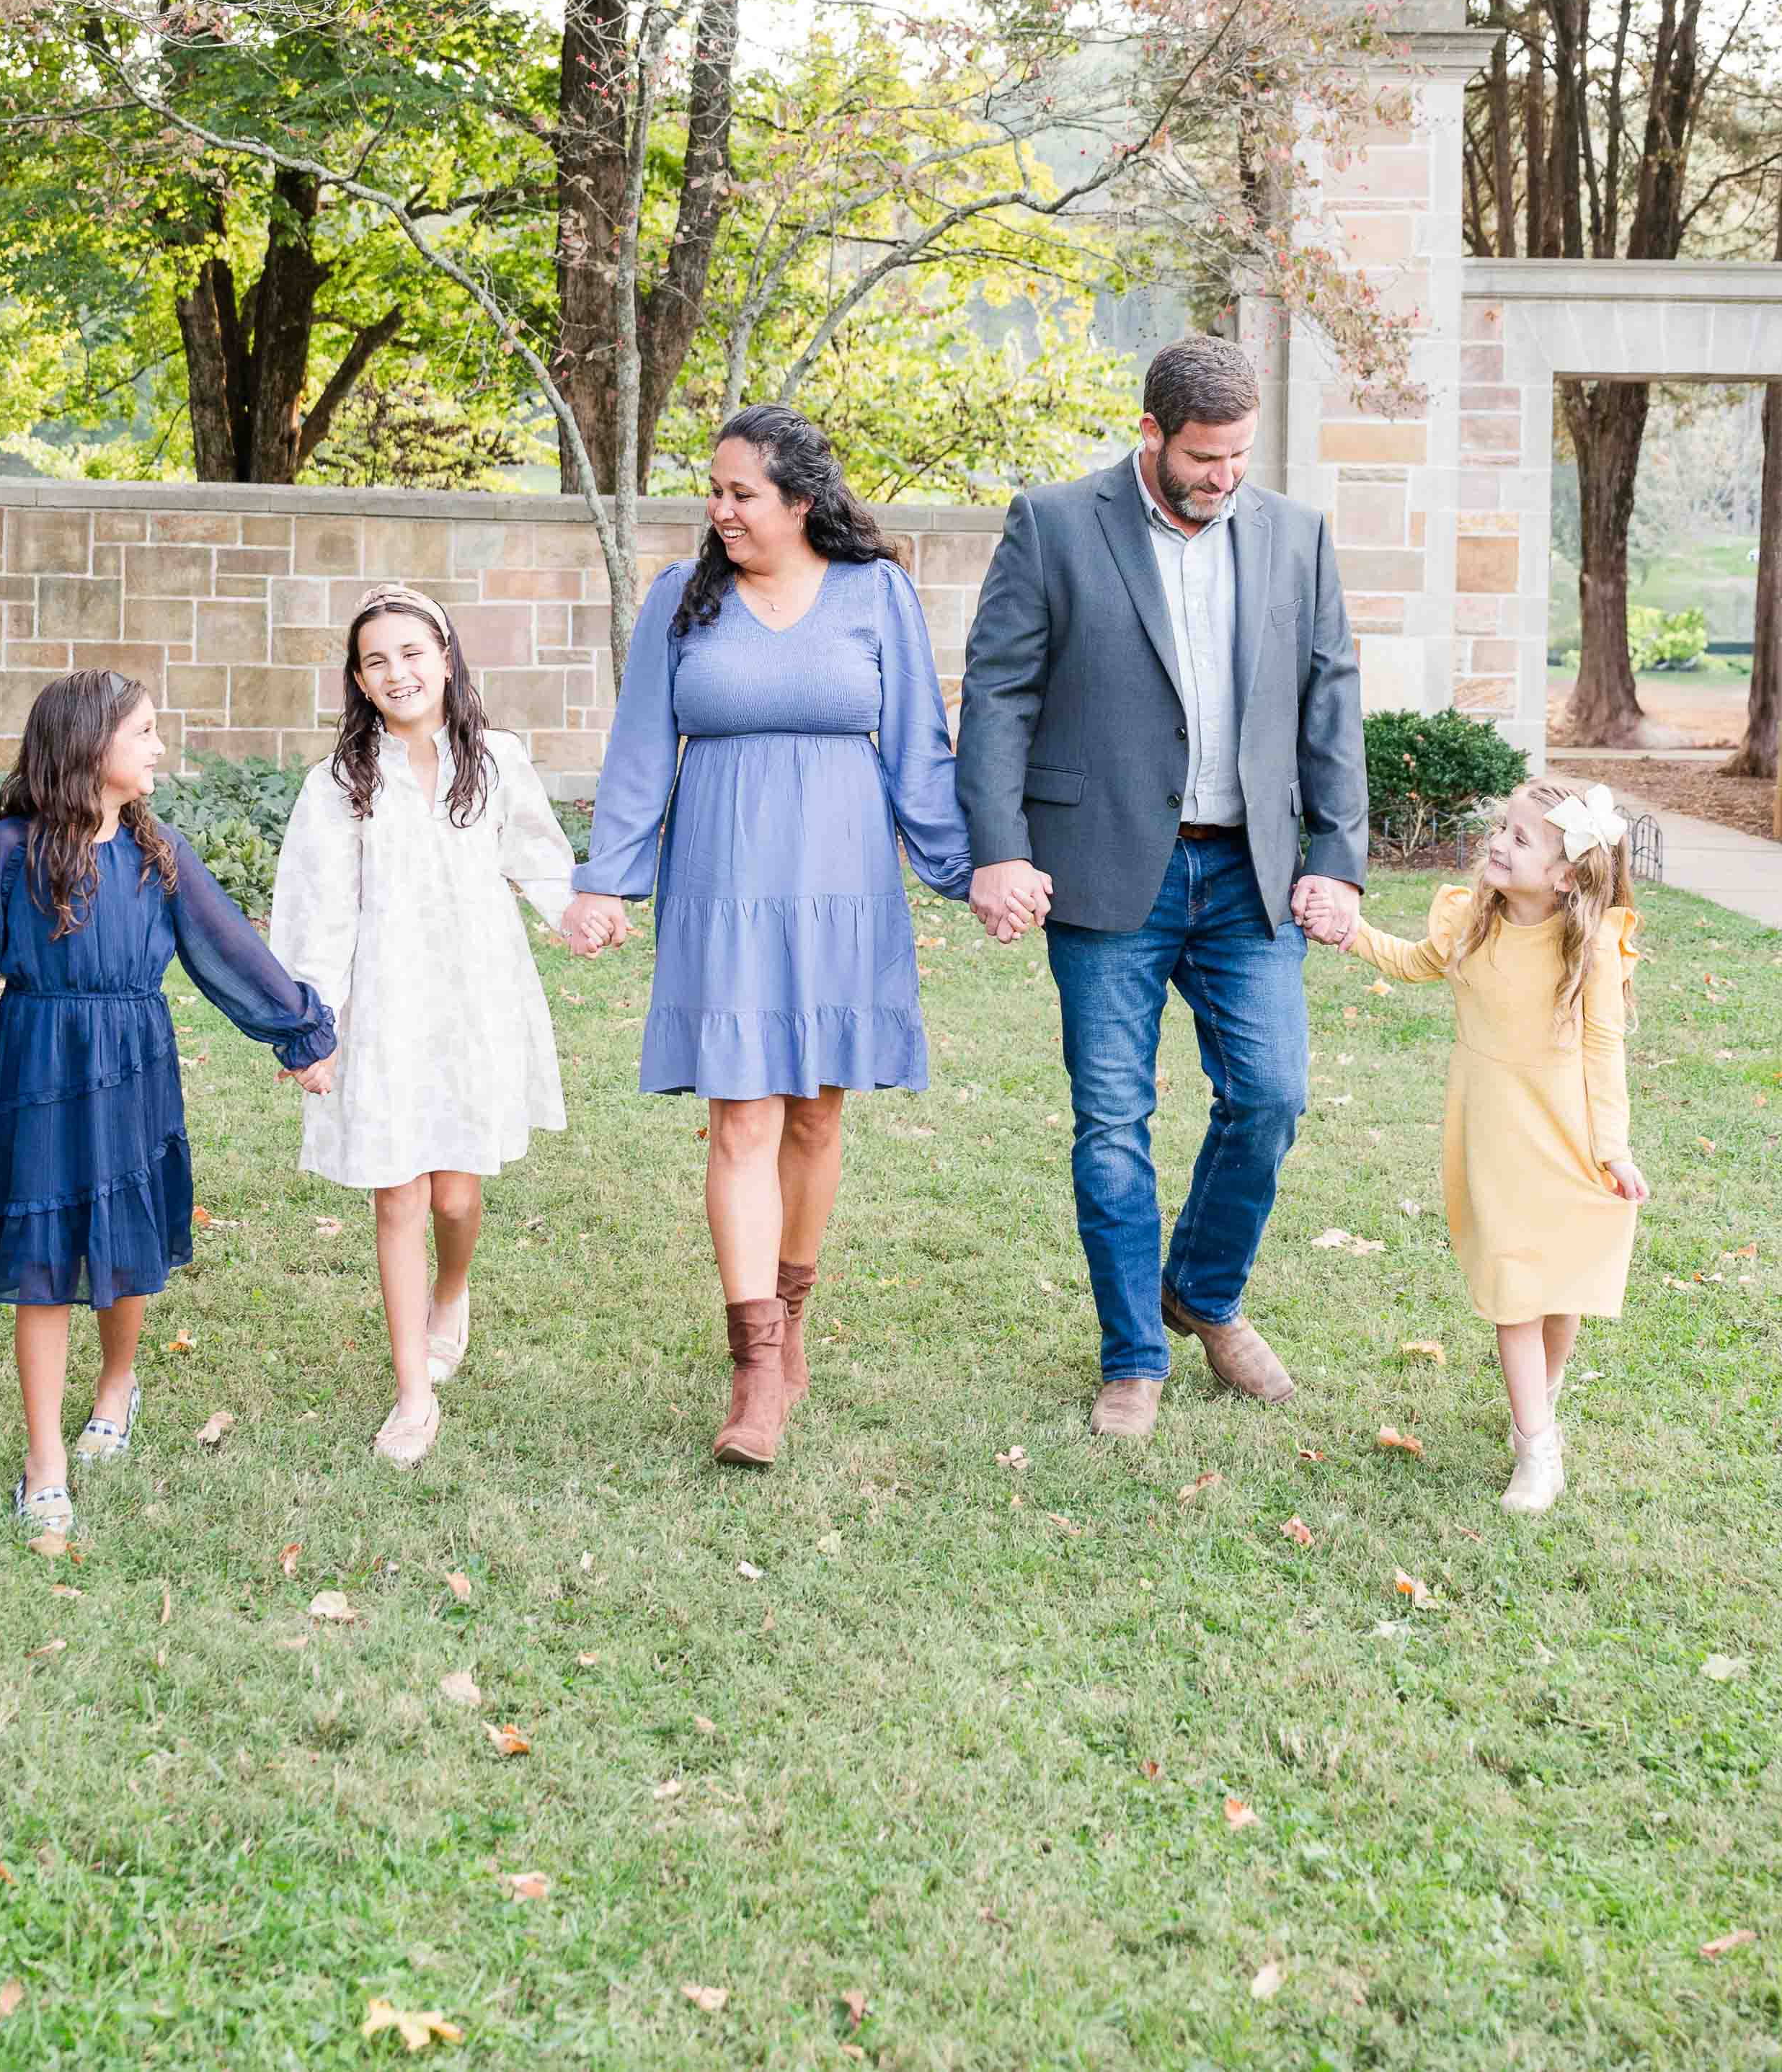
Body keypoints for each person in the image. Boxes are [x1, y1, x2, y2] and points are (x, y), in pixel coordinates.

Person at [954, 332, 1367, 1442]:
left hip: (1250, 873)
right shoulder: (1051, 524)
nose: (1222, 477)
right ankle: (1134, 1352)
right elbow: (996, 694)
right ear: (1150, 432)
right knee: (1110, 1124)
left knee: (1271, 1094)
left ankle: (1204, 1292)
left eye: (1236, 456)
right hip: (1101, 870)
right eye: (1201, 455)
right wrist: (996, 848)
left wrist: (1336, 859)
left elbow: (1329, 698)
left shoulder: (1295, 536)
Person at [570, 404, 972, 1468]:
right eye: (715, 489)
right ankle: (754, 1364)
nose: (720, 508)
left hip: (843, 882)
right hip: (724, 880)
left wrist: (962, 868)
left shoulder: (874, 593)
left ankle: (793, 1313)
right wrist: (607, 881)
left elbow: (920, 749)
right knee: (740, 1117)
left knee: (815, 1115)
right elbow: (638, 751)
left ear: (801, 501)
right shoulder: (680, 600)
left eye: (741, 491)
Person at [0, 669, 337, 1545]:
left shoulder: (158, 851)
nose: (158, 746)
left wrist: (298, 1032)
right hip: (34, 1063)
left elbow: (228, 949)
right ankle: (43, 1460)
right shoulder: (10, 849)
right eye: (142, 732)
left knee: (122, 1231)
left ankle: (116, 1384)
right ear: (87, 745)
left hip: (132, 1064)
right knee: (39, 1251)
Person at [267, 584, 626, 1468]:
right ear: (357, 679)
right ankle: (411, 1395)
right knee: (398, 1194)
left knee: (456, 1195)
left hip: (472, 1000)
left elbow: (539, 859)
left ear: (446, 657)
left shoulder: (494, 760)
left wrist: (575, 915)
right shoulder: (339, 784)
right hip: (381, 1004)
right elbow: (314, 912)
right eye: (376, 660)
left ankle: (452, 1288)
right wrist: (311, 1028)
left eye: (412, 653)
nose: (398, 672)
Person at [1296, 779, 1647, 1515]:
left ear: (1563, 874)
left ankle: (1537, 1402)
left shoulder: (1586, 948)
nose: (1496, 843)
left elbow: (1603, 1049)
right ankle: (1536, 1450)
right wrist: (1345, 930)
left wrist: (1612, 1150)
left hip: (1567, 1133)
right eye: (1500, 830)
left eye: (1519, 839)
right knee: (1514, 1293)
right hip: (1492, 1130)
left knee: (1561, 1288)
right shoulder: (1472, 923)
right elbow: (1411, 961)